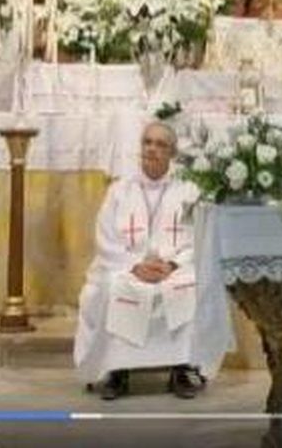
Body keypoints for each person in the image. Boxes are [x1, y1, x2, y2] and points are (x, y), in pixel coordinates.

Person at [74, 120, 206, 400]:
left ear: (172, 153)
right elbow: (105, 237)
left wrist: (172, 265)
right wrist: (134, 265)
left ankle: (182, 368)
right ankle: (116, 370)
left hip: (173, 268)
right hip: (126, 265)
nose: (152, 149)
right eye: (147, 142)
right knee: (112, 286)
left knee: (189, 285)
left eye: (160, 144)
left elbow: (199, 238)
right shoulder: (119, 190)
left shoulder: (188, 191)